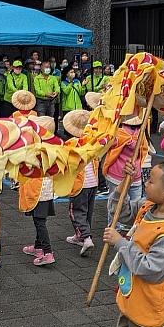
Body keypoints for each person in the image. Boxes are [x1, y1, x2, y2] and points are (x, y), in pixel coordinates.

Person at [103, 161, 164, 327]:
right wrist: (124, 183)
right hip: (134, 300)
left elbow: (150, 269)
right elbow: (120, 211)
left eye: (151, 181)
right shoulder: (148, 207)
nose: (145, 183)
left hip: (150, 310)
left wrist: (120, 242)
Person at [19, 116, 57, 266]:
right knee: (39, 220)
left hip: (38, 190)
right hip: (47, 190)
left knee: (40, 222)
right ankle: (38, 247)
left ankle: (47, 252)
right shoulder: (53, 148)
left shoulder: (36, 150)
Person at [103, 114, 147, 232]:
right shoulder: (141, 133)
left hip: (117, 175)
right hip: (135, 173)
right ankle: (134, 228)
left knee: (115, 202)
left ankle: (113, 227)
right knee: (136, 204)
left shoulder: (119, 133)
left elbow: (106, 145)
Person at [63, 110, 97, 256]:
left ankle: (86, 237)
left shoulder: (70, 144)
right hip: (93, 182)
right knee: (87, 210)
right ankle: (81, 235)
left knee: (75, 212)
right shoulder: (92, 141)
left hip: (79, 184)